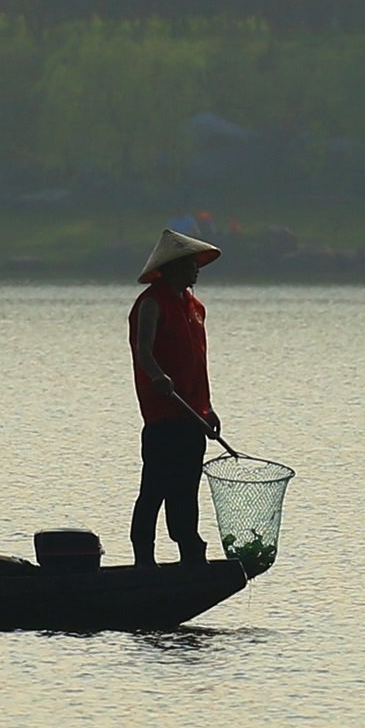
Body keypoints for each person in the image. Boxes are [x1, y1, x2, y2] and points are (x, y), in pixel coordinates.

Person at [127, 228, 222, 566]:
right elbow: (143, 350)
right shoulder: (151, 303)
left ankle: (188, 552)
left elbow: (197, 363)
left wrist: (208, 410)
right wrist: (156, 376)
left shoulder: (196, 306)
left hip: (193, 416)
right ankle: (144, 561)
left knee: (185, 491)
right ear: (172, 267)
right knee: (155, 488)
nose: (196, 269)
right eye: (190, 264)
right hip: (164, 415)